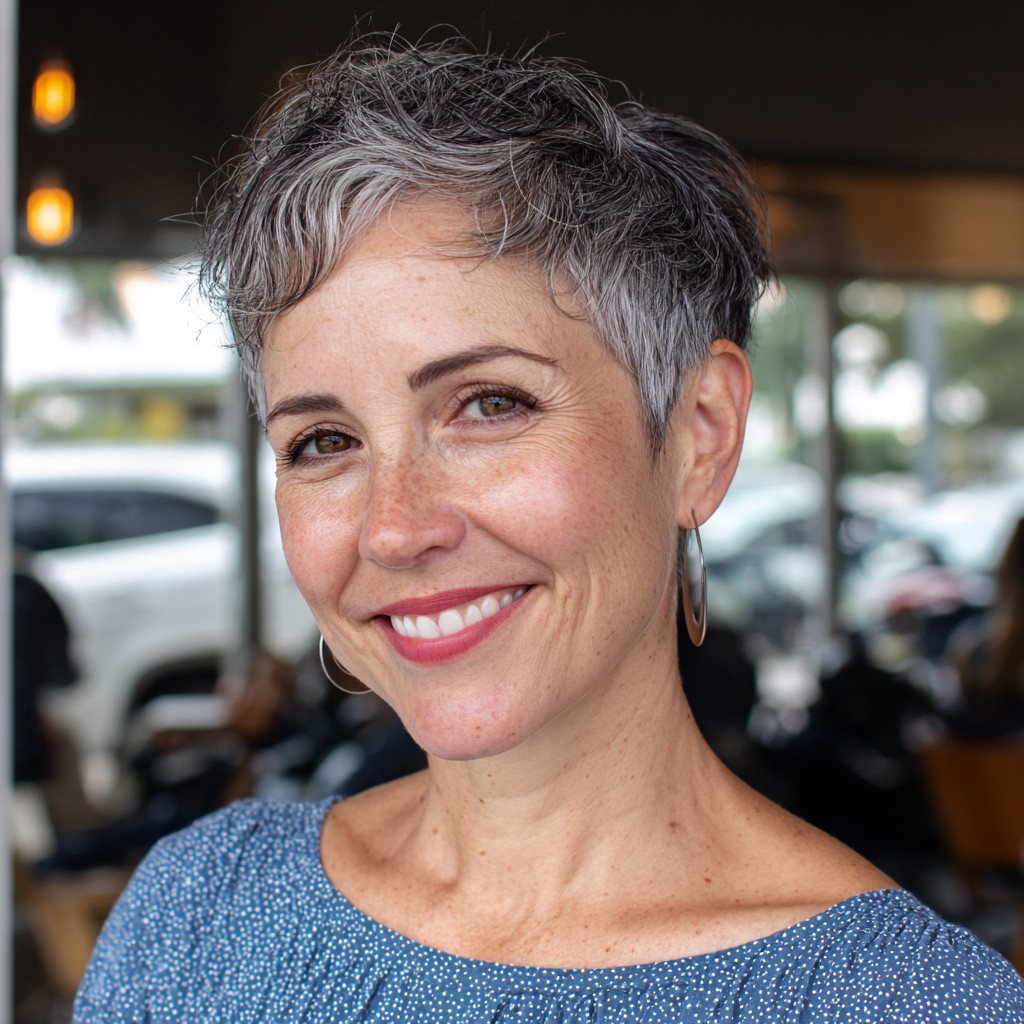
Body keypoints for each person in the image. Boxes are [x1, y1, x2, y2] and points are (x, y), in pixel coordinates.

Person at [74, 34, 1024, 1021]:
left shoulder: (901, 1001)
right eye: (323, 442)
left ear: (699, 435)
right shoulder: (200, 914)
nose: (393, 529)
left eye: (489, 405)